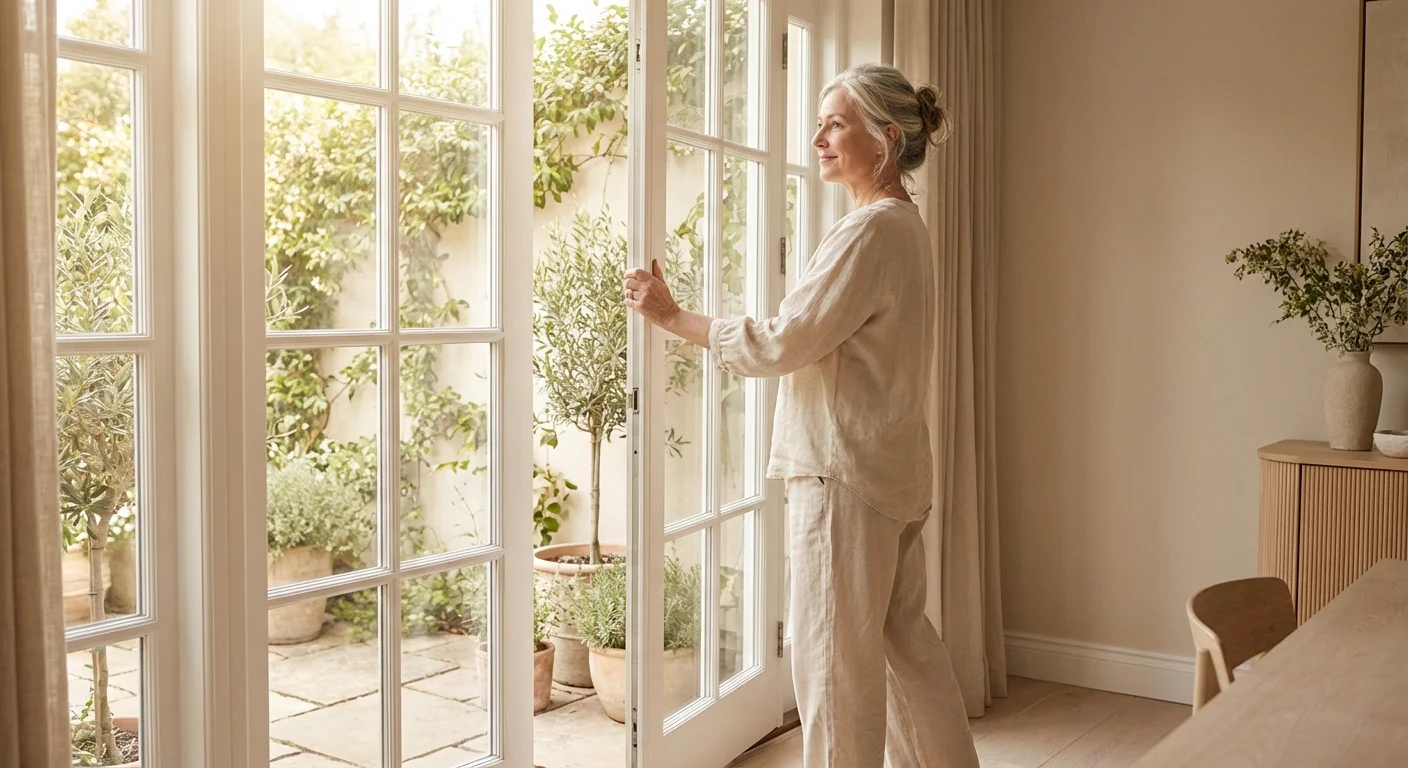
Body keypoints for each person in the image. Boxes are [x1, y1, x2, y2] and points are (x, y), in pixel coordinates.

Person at [624, 63, 978, 767]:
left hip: (842, 477)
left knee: (833, 676)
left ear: (882, 139)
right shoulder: (906, 226)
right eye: (819, 122)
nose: (817, 137)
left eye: (834, 123)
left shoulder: (869, 233)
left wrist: (673, 316)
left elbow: (783, 341)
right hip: (895, 471)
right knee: (908, 652)